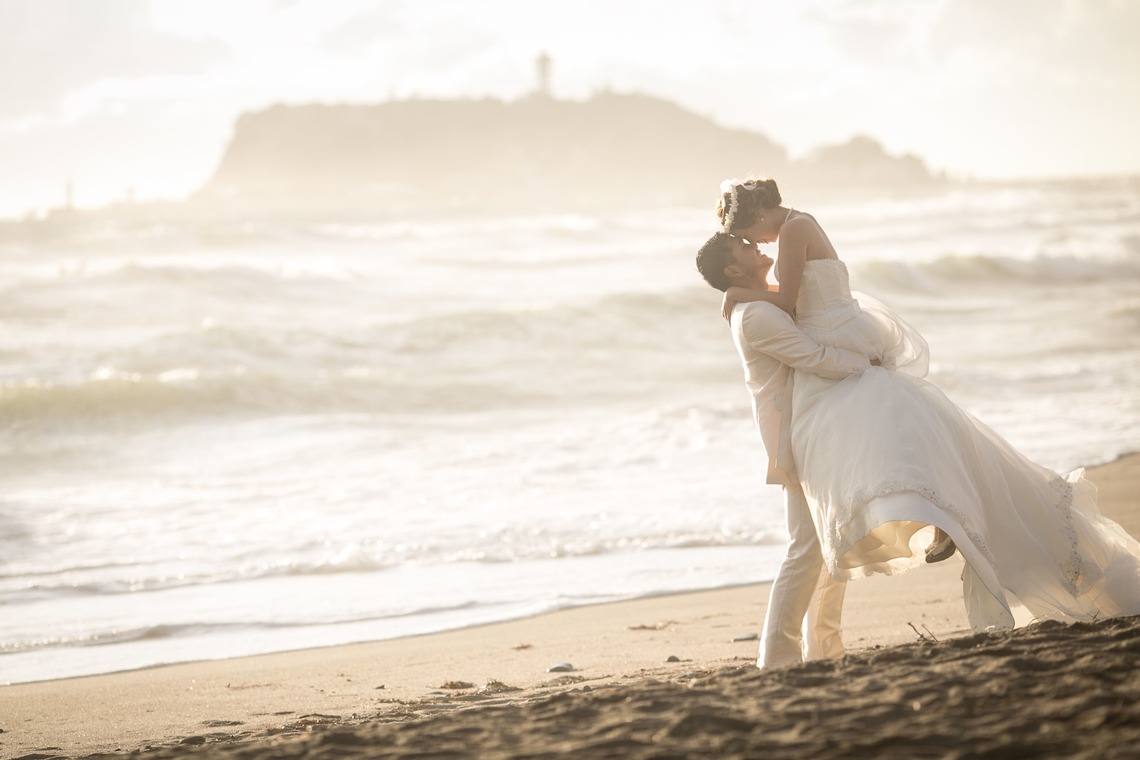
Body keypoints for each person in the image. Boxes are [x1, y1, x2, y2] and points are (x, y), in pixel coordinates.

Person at [702, 177, 1140, 633]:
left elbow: (789, 303)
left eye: (750, 238)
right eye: (749, 247)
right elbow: (791, 311)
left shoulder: (792, 231)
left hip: (836, 344)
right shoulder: (791, 234)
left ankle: (940, 521)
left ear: (753, 217)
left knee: (894, 440)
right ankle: (938, 523)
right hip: (835, 346)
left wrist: (737, 295)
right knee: (895, 440)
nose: (758, 246)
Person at [694, 235, 876, 668]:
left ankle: (825, 648)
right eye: (743, 248)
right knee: (806, 546)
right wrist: (868, 366)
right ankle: (777, 656)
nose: (754, 246)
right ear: (733, 271)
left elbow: (799, 307)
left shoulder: (756, 303)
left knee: (834, 541)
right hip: (795, 436)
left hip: (817, 429)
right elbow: (811, 355)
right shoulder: (755, 315)